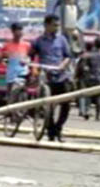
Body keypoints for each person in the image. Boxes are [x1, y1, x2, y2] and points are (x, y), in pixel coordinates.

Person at [29, 14, 72, 142]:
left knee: (66, 104)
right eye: (54, 25)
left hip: (61, 76)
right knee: (48, 107)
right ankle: (51, 130)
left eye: (58, 25)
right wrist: (28, 63)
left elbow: (68, 56)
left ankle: (58, 128)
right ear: (46, 25)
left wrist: (62, 65)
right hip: (47, 77)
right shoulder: (38, 41)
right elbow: (30, 55)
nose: (57, 28)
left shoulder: (62, 40)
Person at [75, 38, 100, 121]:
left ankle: (87, 111)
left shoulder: (88, 55)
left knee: (88, 95)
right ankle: (98, 115)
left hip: (89, 78)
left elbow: (84, 67)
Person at [1, 23, 31, 94]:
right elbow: (1, 59)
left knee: (22, 93)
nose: (20, 32)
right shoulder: (7, 45)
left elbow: (30, 58)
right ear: (13, 32)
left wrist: (27, 61)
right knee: (10, 94)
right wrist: (5, 57)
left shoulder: (27, 45)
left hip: (23, 73)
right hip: (11, 74)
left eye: (21, 30)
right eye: (18, 30)